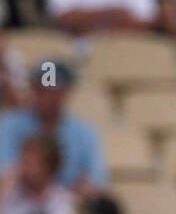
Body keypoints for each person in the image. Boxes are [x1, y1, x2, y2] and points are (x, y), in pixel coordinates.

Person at [0, 61, 108, 193]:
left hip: (69, 204)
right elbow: (5, 174)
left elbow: (95, 180)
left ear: (66, 93)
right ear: (34, 90)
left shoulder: (84, 132)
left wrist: (62, 199)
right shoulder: (10, 125)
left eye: (56, 92)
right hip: (20, 202)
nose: (49, 98)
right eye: (43, 91)